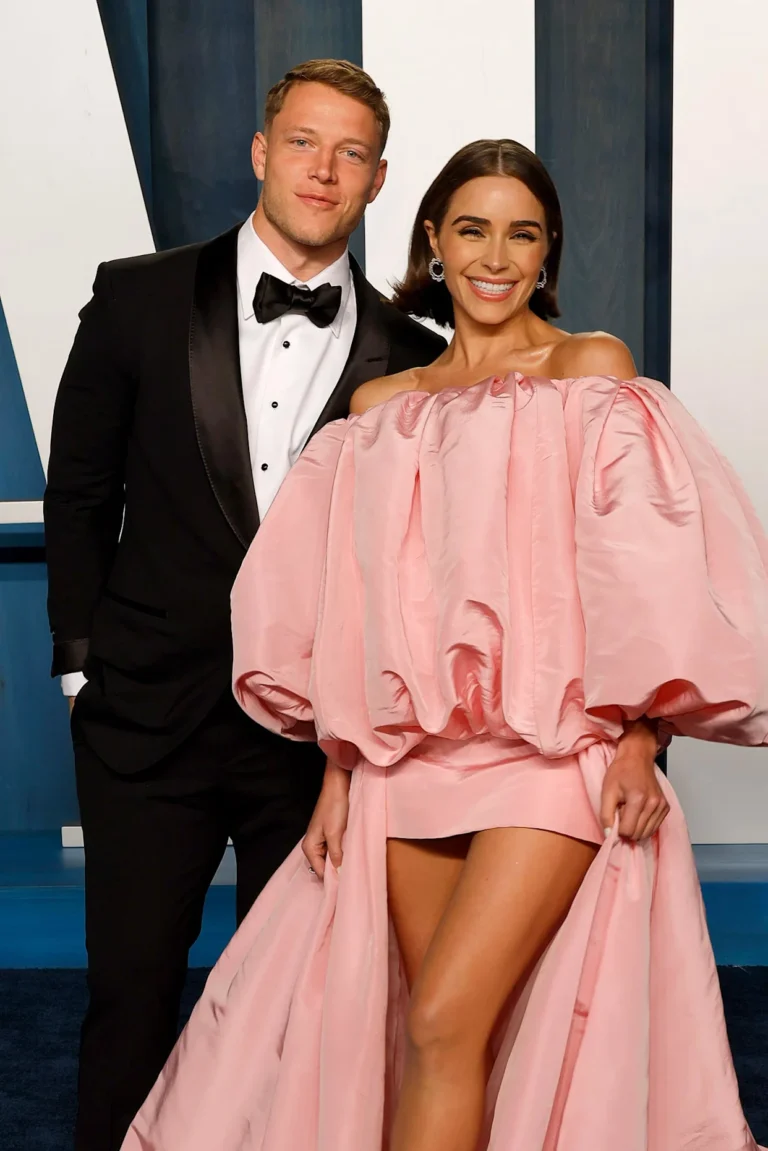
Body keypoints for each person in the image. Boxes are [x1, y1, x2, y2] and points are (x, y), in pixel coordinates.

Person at [122, 141, 768, 1151]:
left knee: (440, 1020)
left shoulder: (591, 372)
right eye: (473, 229)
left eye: (523, 234)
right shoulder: (382, 412)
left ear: (548, 254)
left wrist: (643, 738)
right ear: (433, 241)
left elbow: (646, 575)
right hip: (410, 767)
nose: (495, 256)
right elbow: (354, 609)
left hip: (551, 756)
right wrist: (340, 768)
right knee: (446, 1036)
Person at [43, 58, 445, 1151]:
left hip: (312, 741)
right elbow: (80, 491)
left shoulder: (416, 359)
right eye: (304, 143)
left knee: (301, 1013)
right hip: (143, 717)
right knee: (131, 995)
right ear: (263, 153)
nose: (324, 169)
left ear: (377, 180)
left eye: (351, 153)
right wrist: (81, 666)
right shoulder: (137, 295)